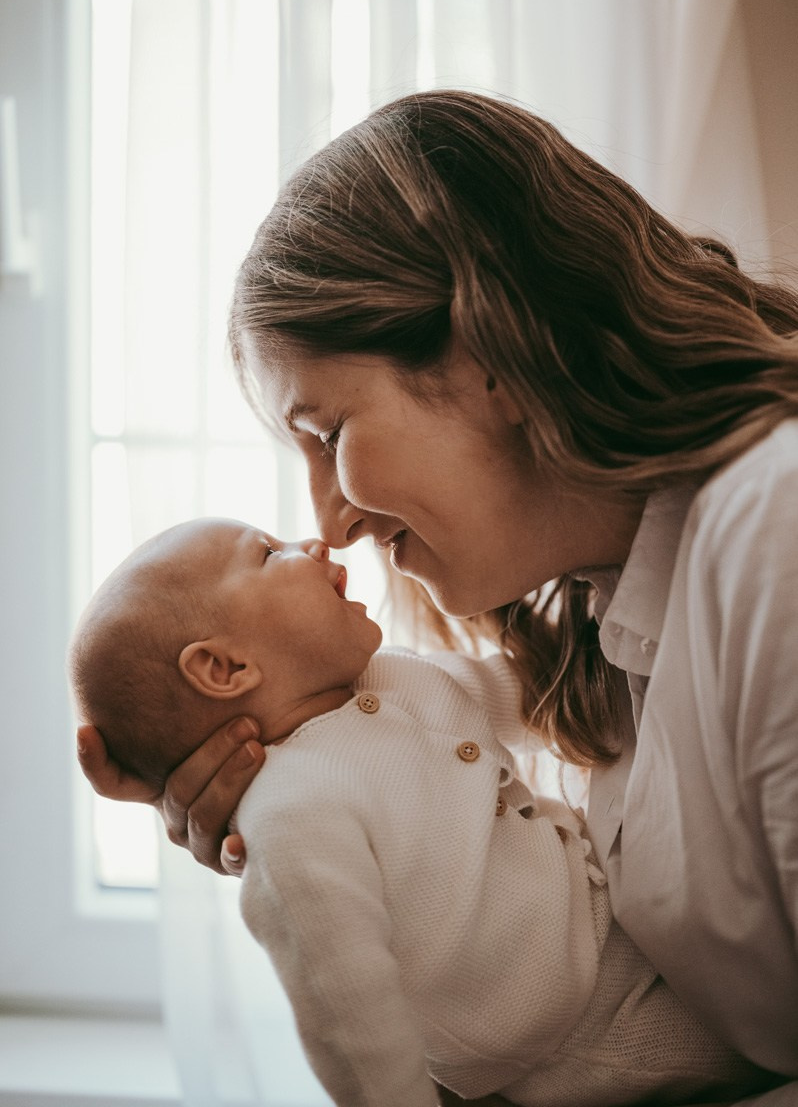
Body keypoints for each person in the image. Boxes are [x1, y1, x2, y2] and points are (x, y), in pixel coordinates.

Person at [77, 90, 798, 1098]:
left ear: (489, 353)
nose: (331, 525)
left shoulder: (777, 533)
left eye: (328, 436)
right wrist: (347, 855)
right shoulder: (607, 631)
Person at [69, 515, 777, 1107]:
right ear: (224, 670)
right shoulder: (290, 817)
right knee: (762, 1047)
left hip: (610, 936)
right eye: (266, 553)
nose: (313, 544)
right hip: (573, 1036)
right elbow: (350, 1015)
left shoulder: (396, 675)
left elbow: (547, 697)